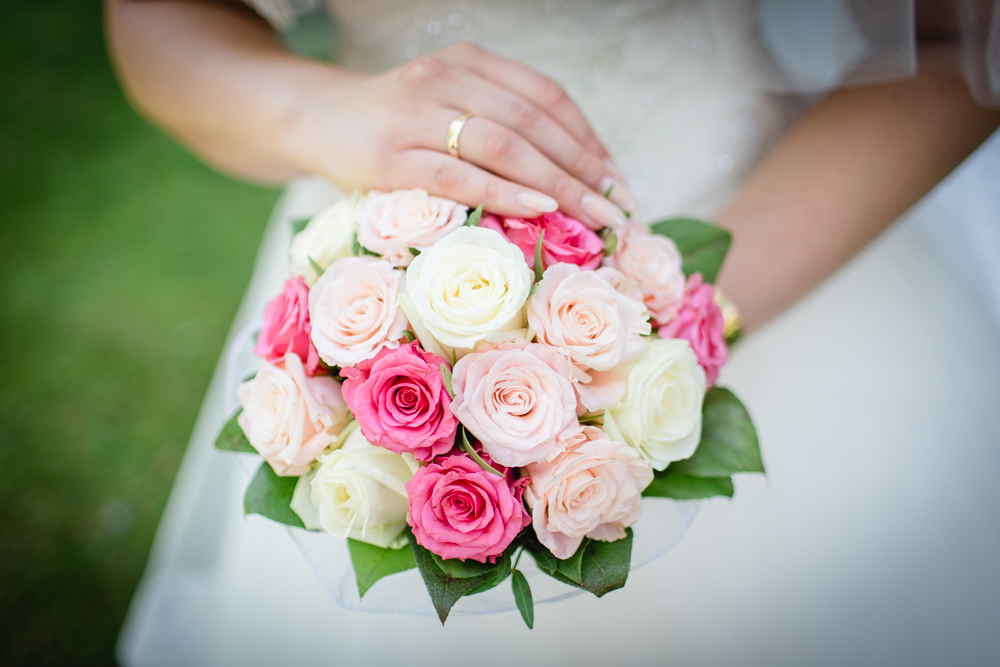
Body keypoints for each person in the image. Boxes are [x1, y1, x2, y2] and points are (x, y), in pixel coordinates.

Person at [107, 1, 1000, 664]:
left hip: (783, 247)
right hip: (374, 276)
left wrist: (673, 329)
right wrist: (319, 112)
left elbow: (960, 43)